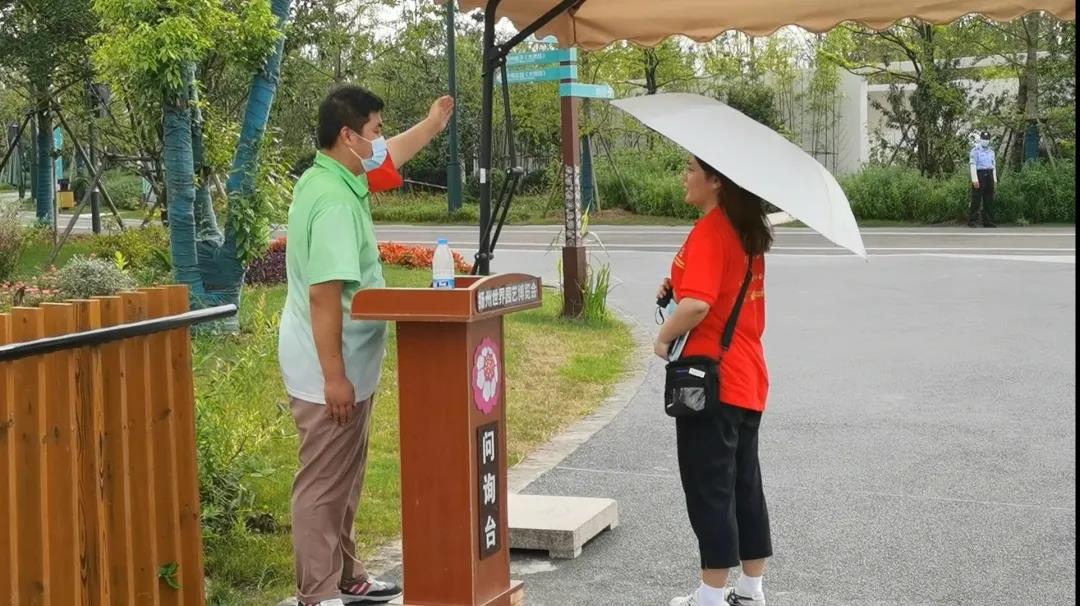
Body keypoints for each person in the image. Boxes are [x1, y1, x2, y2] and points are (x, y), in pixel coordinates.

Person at [278, 85, 454, 606]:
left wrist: (432, 125)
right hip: (328, 369)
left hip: (349, 362)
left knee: (344, 475)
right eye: (374, 130)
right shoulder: (333, 201)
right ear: (348, 136)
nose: (380, 140)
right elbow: (324, 295)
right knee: (323, 482)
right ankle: (318, 593)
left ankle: (347, 575)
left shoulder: (333, 175)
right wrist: (335, 377)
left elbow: (391, 154)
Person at [656, 156, 774, 606]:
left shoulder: (710, 231)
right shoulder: (747, 232)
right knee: (744, 484)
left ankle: (709, 597)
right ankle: (750, 590)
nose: (684, 176)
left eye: (691, 169)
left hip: (711, 381)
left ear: (717, 181)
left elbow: (699, 306)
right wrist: (676, 287)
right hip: (747, 376)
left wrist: (663, 337)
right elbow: (715, 296)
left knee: (710, 487)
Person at [969, 130, 997, 228]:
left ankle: (988, 221)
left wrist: (995, 180)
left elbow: (993, 166)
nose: (986, 141)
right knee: (976, 199)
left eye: (987, 139)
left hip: (989, 174)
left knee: (989, 199)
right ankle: (972, 220)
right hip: (979, 174)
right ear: (981, 139)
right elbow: (973, 165)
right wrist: (974, 179)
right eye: (984, 139)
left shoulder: (991, 152)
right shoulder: (975, 151)